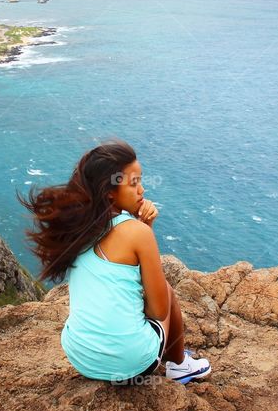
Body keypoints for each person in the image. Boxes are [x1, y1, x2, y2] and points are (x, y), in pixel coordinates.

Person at [20, 140, 211, 384]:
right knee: (167, 291)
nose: (142, 190)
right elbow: (159, 310)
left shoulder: (79, 228)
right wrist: (145, 231)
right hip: (131, 363)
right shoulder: (137, 233)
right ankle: (180, 365)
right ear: (109, 191)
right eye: (134, 183)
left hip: (80, 358)